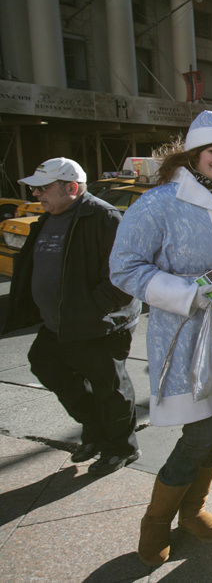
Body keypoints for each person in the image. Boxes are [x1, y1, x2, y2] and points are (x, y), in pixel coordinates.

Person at [110, 111, 212, 566]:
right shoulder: (158, 202)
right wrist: (188, 293)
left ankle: (192, 510)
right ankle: (156, 521)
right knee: (199, 432)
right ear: (193, 154)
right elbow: (124, 267)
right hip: (183, 332)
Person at [5, 158, 140, 478]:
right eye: (36, 188)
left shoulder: (103, 216)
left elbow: (123, 275)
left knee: (110, 388)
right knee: (45, 363)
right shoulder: (49, 217)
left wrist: (94, 310)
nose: (37, 194)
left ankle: (121, 447)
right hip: (59, 324)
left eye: (43, 187)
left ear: (72, 188)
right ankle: (94, 428)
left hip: (98, 325)